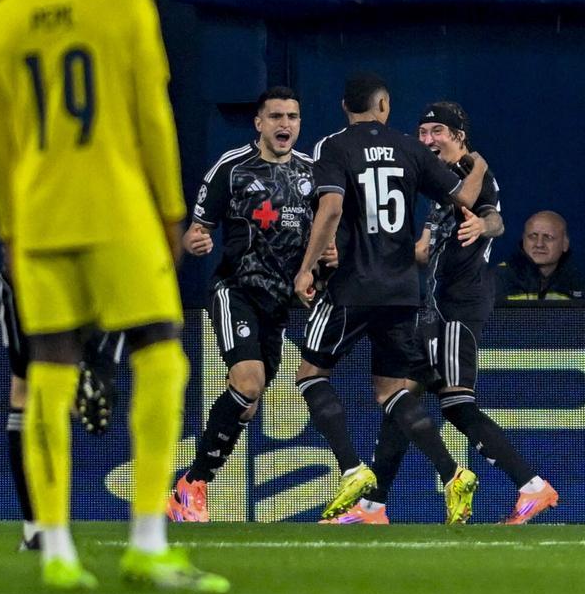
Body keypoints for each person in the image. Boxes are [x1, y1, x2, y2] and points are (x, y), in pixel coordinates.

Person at [0, 0, 226, 591]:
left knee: (46, 373)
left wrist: (11, 235)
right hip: (118, 211)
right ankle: (146, 538)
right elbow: (152, 115)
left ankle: (55, 550)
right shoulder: (125, 2)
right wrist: (172, 212)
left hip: (42, 220)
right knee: (161, 355)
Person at [328, 102, 559, 525]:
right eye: (422, 132)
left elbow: (494, 219)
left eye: (438, 131)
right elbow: (422, 249)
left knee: (455, 403)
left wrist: (481, 227)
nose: (428, 140)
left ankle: (532, 486)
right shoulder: (442, 188)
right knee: (401, 401)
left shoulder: (475, 171)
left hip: (458, 308)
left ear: (459, 136)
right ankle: (372, 507)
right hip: (431, 310)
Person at [293, 73, 488, 524]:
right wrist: (476, 164)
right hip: (402, 291)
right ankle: (453, 473)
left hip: (353, 287)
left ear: (346, 106)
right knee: (390, 391)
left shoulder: (333, 147)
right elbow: (466, 197)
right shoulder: (409, 147)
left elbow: (332, 207)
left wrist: (307, 267)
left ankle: (351, 470)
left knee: (310, 375)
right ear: (384, 106)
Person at [167, 86, 332, 522]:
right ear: (258, 122)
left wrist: (329, 254)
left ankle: (191, 482)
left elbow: (329, 234)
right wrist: (195, 239)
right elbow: (196, 228)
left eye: (292, 117)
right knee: (249, 381)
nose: (285, 125)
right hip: (235, 290)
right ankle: (193, 488)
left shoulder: (314, 173)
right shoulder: (232, 167)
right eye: (275, 116)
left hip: (279, 305)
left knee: (249, 400)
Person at [0, 100, 121, 551]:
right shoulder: (88, 71)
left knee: (26, 388)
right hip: (96, 237)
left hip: (32, 254)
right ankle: (97, 364)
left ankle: (38, 525)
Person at [494, 211, 585, 302]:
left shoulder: (580, 283)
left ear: (565, 244)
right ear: (523, 240)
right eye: (532, 236)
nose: (539, 244)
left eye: (548, 237)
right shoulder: (498, 278)